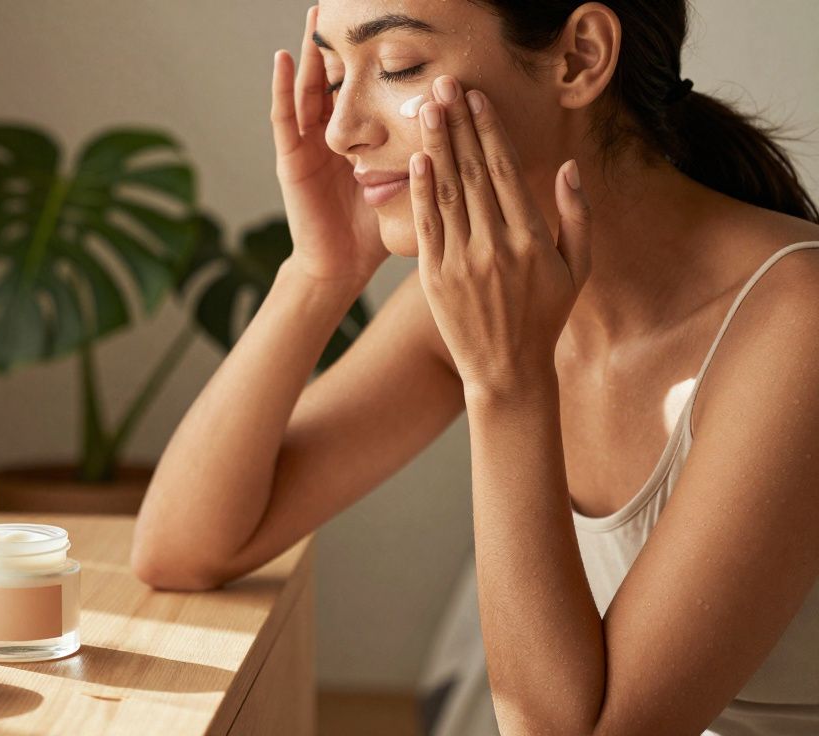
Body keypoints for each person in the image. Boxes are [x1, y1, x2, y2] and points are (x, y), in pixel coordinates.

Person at [129, 2, 819, 734]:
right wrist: (319, 271)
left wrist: (507, 387)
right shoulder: (498, 292)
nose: (339, 128)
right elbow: (183, 548)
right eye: (333, 74)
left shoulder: (795, 325)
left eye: (398, 66)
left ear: (580, 57)